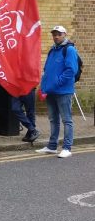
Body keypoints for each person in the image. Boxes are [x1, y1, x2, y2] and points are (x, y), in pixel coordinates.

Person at [36, 25, 79, 158]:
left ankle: (67, 147)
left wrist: (57, 83)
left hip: (64, 91)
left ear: (64, 34)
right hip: (51, 91)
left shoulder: (69, 49)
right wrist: (43, 87)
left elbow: (71, 70)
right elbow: (47, 71)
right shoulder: (52, 50)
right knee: (53, 119)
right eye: (54, 34)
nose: (56, 36)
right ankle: (52, 146)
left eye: (59, 34)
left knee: (67, 120)